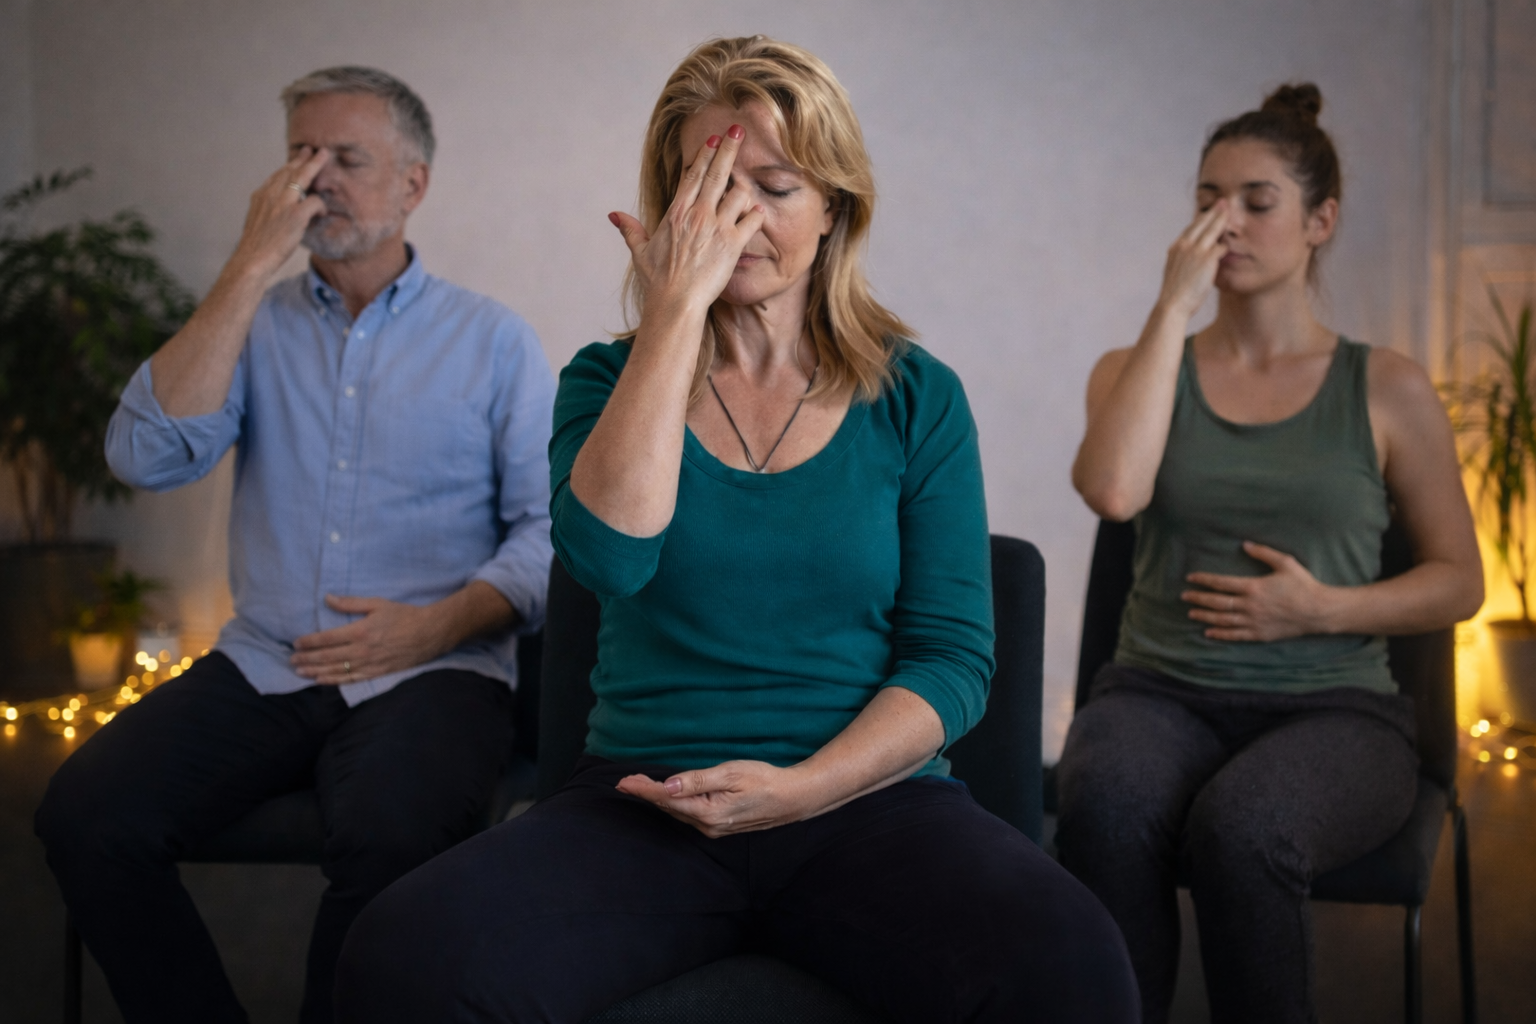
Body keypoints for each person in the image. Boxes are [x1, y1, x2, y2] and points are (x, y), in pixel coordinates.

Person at [333, 35, 1138, 1023]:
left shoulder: (917, 396)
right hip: (644, 807)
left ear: (835, 205)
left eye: (773, 185)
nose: (737, 220)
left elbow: (951, 661)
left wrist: (802, 790)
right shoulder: (602, 377)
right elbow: (607, 556)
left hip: (866, 807)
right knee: (398, 959)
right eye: (706, 187)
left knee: (1079, 969)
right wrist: (675, 314)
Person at [35, 66, 555, 1024]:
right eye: (299, 157)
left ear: (413, 184)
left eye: (345, 159)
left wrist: (436, 626)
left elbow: (544, 536)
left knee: (391, 840)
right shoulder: (251, 324)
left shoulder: (495, 342)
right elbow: (143, 455)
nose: (314, 182)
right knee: (81, 816)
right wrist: (246, 264)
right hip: (267, 662)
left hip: (436, 670)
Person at [1059, 83, 1484, 1024]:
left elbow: (1462, 581)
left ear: (1320, 220)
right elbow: (1113, 493)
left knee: (1245, 827)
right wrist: (1172, 310)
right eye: (1209, 199)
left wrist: (1322, 608)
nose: (1227, 223)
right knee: (1102, 807)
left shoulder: (1389, 387)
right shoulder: (1132, 372)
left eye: (1257, 201)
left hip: (1338, 710)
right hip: (1159, 693)